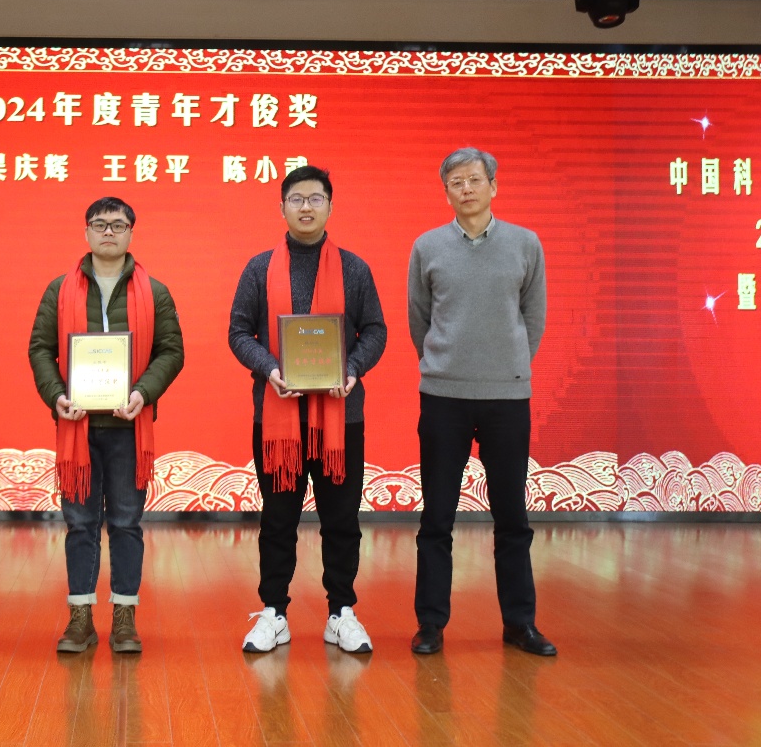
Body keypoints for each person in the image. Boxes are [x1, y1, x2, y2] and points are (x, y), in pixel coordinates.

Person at [229, 166, 387, 655]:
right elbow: (238, 332)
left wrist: (352, 369)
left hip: (341, 416)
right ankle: (273, 613)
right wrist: (270, 368)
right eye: (296, 198)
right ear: (282, 207)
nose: (306, 207)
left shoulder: (355, 269)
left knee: (342, 520)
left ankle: (342, 612)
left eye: (316, 199)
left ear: (330, 207)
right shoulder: (259, 268)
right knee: (278, 520)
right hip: (278, 417)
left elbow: (375, 330)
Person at [407, 147, 555, 657]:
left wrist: (509, 365)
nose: (466, 188)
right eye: (456, 182)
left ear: (494, 185)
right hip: (443, 395)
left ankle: (520, 623)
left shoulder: (525, 243)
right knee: (436, 517)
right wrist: (444, 363)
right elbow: (419, 319)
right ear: (446, 192)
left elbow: (533, 316)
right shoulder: (427, 246)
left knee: (512, 516)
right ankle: (430, 624)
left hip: (506, 398)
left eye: (474, 179)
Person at [28, 196, 184, 654]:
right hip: (77, 427)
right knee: (79, 523)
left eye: (118, 224)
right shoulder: (59, 289)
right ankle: (79, 618)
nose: (109, 231)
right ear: (86, 233)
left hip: (128, 427)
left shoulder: (155, 292)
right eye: (100, 224)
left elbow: (171, 351)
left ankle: (124, 618)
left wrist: (143, 393)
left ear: (131, 232)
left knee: (126, 523)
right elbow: (40, 349)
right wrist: (56, 395)